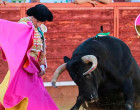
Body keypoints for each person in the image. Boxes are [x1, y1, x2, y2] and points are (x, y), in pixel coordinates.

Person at [0, 4, 58, 110]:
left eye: (43, 21)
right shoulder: (22, 25)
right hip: (21, 68)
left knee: (38, 95)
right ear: (33, 17)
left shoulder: (40, 30)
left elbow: (42, 49)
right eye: (39, 21)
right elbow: (13, 43)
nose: (40, 24)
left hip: (34, 69)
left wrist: (42, 66)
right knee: (16, 94)